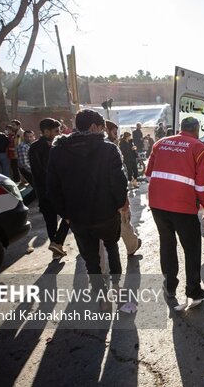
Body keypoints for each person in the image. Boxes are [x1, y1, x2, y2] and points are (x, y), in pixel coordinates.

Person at [47, 109, 128, 305]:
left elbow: (52, 187)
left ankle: (102, 296)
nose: (104, 132)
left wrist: (65, 214)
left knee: (91, 258)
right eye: (102, 128)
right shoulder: (108, 149)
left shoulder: (58, 150)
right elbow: (118, 181)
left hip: (77, 217)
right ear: (94, 127)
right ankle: (116, 286)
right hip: (107, 213)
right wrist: (121, 205)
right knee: (112, 246)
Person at [145, 117, 204, 301]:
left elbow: (149, 174)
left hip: (158, 205)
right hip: (183, 207)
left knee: (167, 243)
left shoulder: (159, 144)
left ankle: (169, 286)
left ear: (180, 128)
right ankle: (193, 290)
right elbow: (203, 185)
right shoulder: (198, 148)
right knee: (191, 248)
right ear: (197, 130)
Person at [29, 118, 70, 259]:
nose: (59, 133)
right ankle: (57, 244)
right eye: (56, 131)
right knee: (66, 216)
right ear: (46, 131)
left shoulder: (54, 145)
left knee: (57, 219)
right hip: (51, 190)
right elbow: (45, 170)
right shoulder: (39, 148)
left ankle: (56, 246)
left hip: (47, 190)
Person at [105, 120, 142, 256]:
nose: (116, 134)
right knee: (123, 221)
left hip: (98, 197)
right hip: (111, 194)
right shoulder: (108, 147)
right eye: (114, 131)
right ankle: (132, 246)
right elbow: (117, 176)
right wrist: (123, 200)